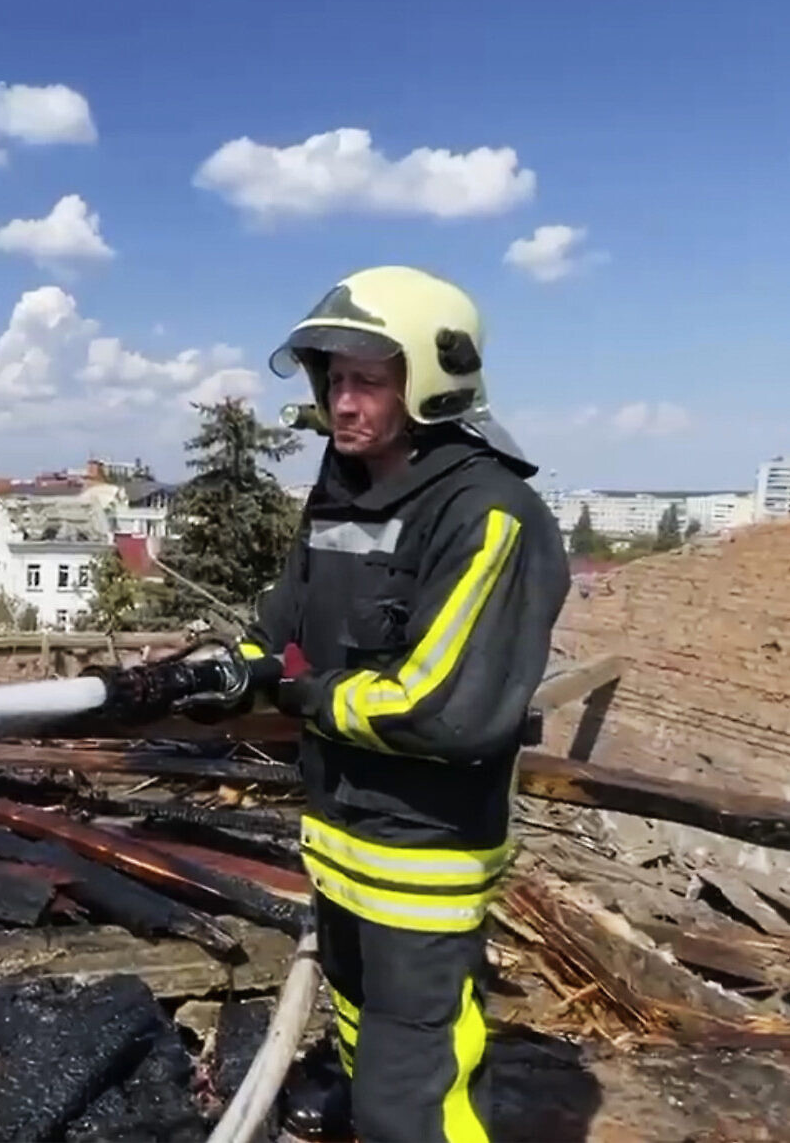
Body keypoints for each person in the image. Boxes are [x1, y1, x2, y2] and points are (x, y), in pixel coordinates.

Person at [169, 266, 570, 1143]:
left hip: (423, 854)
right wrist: (232, 669)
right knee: (356, 1023)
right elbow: (285, 624)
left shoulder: (488, 513)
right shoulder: (342, 493)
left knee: (416, 1088)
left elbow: (446, 706)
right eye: (335, 380)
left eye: (368, 382)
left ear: (430, 382)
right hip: (342, 835)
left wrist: (303, 694)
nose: (343, 404)